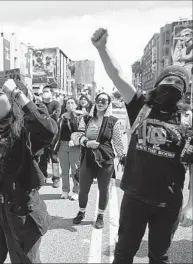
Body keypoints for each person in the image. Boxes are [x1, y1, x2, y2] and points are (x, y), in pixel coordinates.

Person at [92, 28, 193, 263]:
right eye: (167, 79)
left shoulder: (187, 121)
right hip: (135, 197)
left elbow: (192, 166)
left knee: (159, 257)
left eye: (178, 82)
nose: (172, 84)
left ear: (185, 91)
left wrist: (190, 205)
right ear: (157, 84)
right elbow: (118, 76)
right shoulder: (141, 106)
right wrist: (102, 49)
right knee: (124, 253)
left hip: (168, 203)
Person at [0, 79, 58, 263]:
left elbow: (48, 130)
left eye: (0, 93)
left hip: (20, 208)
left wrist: (18, 94)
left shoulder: (26, 129)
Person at [72, 92, 125, 229]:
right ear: (95, 101)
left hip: (106, 158)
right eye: (98, 100)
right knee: (83, 188)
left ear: (108, 104)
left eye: (104, 101)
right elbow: (77, 134)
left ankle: (100, 215)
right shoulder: (86, 119)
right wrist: (86, 142)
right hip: (88, 157)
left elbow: (118, 142)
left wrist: (123, 158)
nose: (101, 103)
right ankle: (81, 212)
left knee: (103, 189)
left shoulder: (114, 121)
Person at [53, 97, 83, 200]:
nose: (70, 104)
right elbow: (58, 133)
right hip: (63, 145)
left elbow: (81, 131)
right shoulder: (62, 117)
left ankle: (76, 191)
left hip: (75, 146)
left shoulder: (80, 116)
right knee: (64, 170)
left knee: (75, 169)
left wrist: (74, 140)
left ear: (75, 105)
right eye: (68, 103)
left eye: (72, 103)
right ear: (65, 106)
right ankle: (65, 190)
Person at [38, 85, 62, 187]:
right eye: (44, 91)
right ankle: (43, 176)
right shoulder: (39, 104)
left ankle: (56, 178)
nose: (45, 93)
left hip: (54, 135)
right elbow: (37, 117)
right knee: (42, 157)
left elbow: (56, 116)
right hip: (42, 135)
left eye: (47, 91)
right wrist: (47, 117)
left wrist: (44, 117)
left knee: (54, 157)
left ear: (51, 93)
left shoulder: (56, 103)